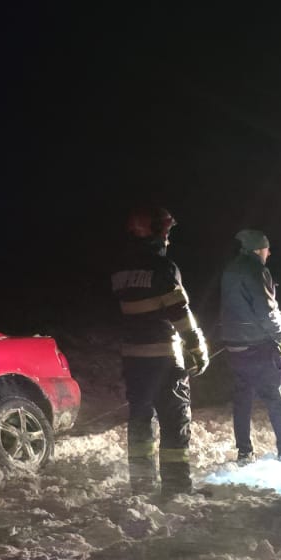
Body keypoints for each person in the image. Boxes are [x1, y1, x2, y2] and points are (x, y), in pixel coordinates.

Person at [111, 205, 209, 494]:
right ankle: (177, 487)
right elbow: (180, 313)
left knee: (140, 421)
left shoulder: (120, 271)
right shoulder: (164, 268)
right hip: (164, 357)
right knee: (174, 420)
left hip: (133, 359)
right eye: (165, 231)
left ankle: (141, 484)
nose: (168, 238)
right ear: (153, 232)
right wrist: (197, 347)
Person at [218, 228, 281, 463]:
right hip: (259, 347)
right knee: (278, 397)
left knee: (242, 399)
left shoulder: (230, 270)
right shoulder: (257, 270)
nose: (269, 253)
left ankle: (244, 452)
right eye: (266, 249)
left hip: (234, 347)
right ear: (258, 250)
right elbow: (266, 311)